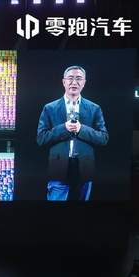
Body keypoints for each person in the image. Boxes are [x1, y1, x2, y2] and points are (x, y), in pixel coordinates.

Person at [36, 65, 108, 201]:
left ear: (84, 82)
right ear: (64, 81)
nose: (74, 82)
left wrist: (81, 129)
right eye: (70, 78)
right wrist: (64, 128)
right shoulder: (50, 108)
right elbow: (41, 138)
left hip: (85, 167)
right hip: (58, 167)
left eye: (79, 78)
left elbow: (103, 138)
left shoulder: (94, 108)